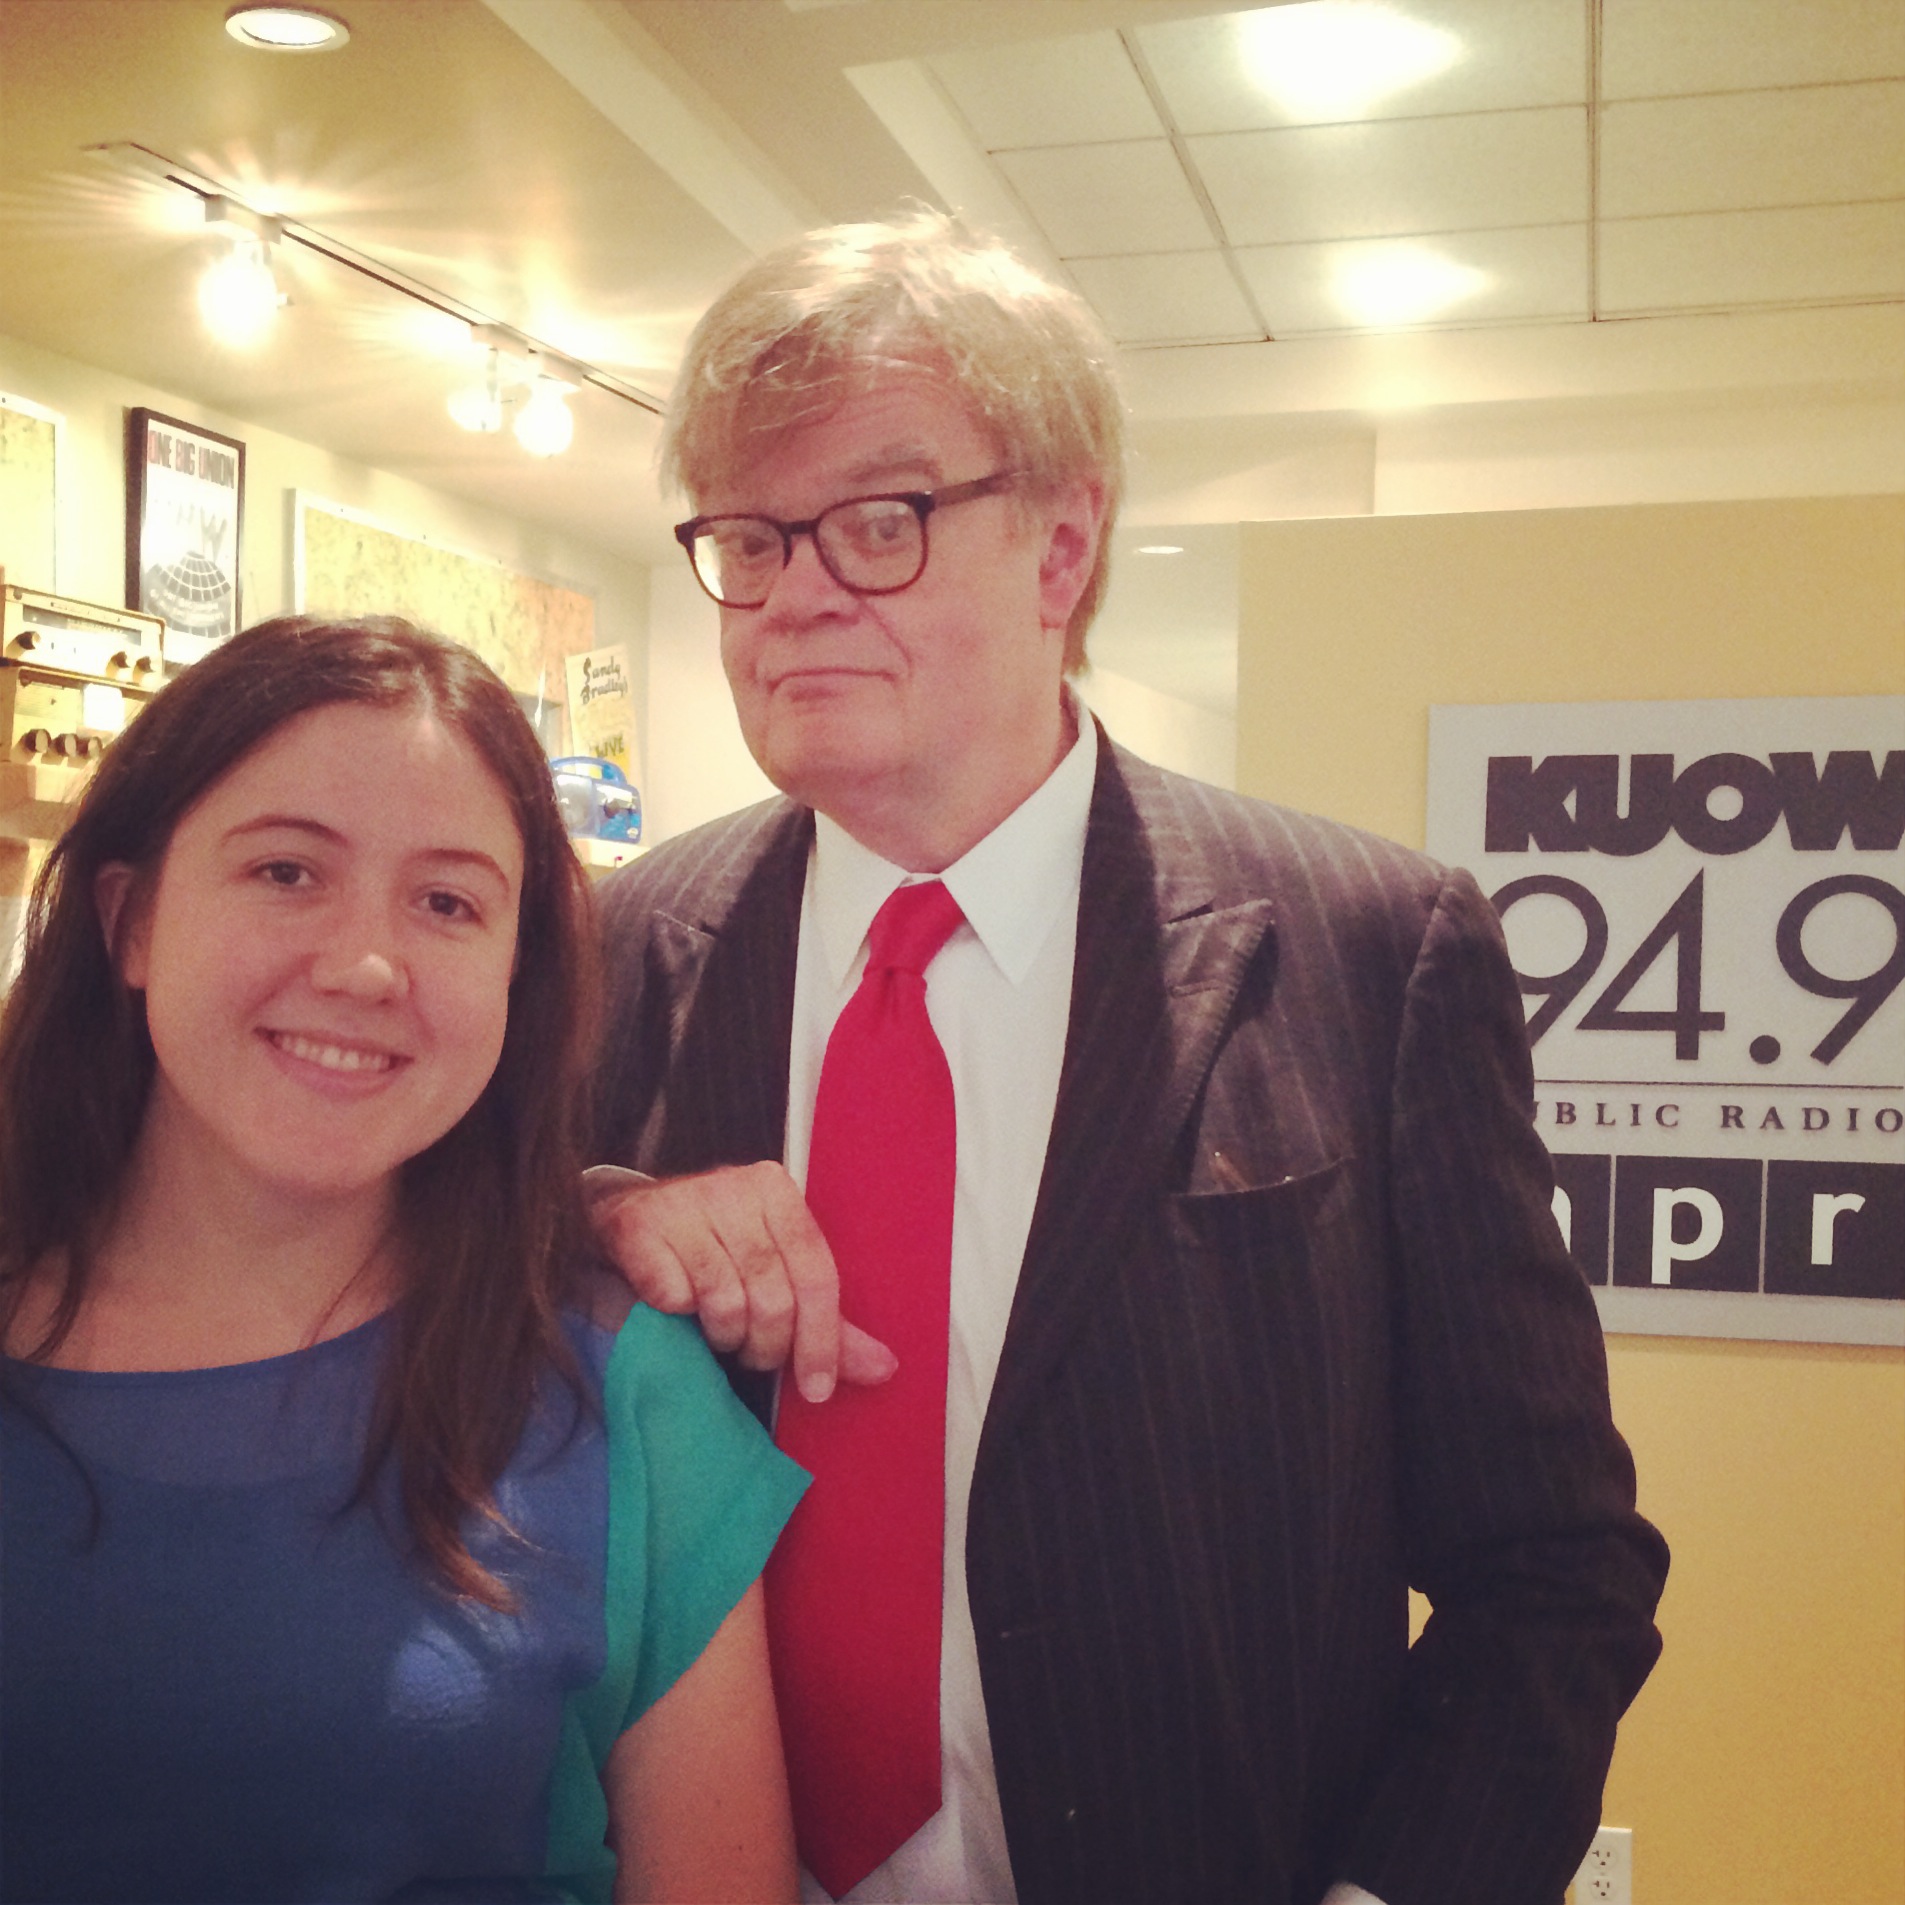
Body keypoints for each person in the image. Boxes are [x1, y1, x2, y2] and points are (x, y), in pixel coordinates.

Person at [587, 211, 1670, 1905]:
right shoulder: (613, 951)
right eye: (746, 533)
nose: (794, 595)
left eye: (878, 521)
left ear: (1060, 548)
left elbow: (1551, 1565)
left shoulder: (1369, 950)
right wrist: (586, 1215)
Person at [0, 616, 807, 1904]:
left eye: (447, 903)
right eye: (285, 872)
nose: (367, 964)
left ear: (511, 976)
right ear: (132, 916)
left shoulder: (619, 1383)